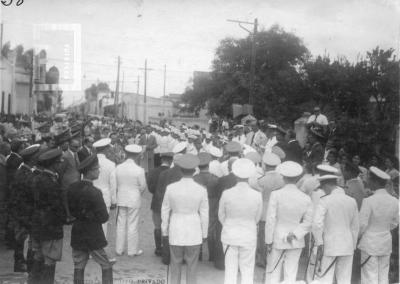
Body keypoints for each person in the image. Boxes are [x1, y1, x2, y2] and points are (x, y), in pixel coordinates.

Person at [161, 153, 209, 284]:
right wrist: (204, 233)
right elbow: (205, 213)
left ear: (181, 170)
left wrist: (164, 230)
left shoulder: (171, 188)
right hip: (194, 229)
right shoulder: (201, 190)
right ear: (194, 170)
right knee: (192, 267)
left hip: (176, 228)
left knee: (175, 265)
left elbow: (165, 210)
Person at [265, 161, 313, 284]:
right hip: (296, 240)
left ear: (283, 177)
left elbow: (271, 219)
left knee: (273, 271)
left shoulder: (276, 194)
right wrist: (295, 233)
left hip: (277, 237)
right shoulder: (306, 198)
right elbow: (308, 222)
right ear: (298, 178)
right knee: (291, 273)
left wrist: (268, 240)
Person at [68, 155, 113, 284]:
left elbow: (71, 211)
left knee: (79, 264)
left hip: (77, 230)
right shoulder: (95, 192)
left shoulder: (72, 188)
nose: (99, 171)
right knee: (106, 263)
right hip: (93, 232)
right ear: (90, 171)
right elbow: (104, 217)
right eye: (97, 169)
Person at [218, 158, 262, 284]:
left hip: (229, 235)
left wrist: (229, 225)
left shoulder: (227, 193)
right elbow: (257, 218)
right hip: (248, 235)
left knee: (230, 270)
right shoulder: (257, 195)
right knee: (247, 271)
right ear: (249, 176)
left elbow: (221, 215)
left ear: (235, 174)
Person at [312, 174, 359, 284]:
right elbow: (355, 226)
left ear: (327, 185)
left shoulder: (325, 200)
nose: (324, 191)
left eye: (323, 188)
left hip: (329, 245)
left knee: (325, 278)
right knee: (344, 279)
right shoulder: (352, 201)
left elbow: (317, 224)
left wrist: (319, 243)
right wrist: (353, 245)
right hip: (347, 245)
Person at [30, 149, 66, 284]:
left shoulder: (37, 178)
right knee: (50, 258)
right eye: (59, 162)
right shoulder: (51, 183)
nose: (61, 164)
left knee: (38, 256)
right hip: (51, 226)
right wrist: (64, 218)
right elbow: (57, 206)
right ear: (53, 164)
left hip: (37, 224)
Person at [358, 166, 399, 284]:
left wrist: (357, 238)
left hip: (370, 243)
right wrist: (384, 229)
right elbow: (395, 222)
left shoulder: (369, 201)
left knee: (369, 277)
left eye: (369, 179)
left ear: (375, 181)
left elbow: (362, 225)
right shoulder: (395, 201)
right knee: (383, 277)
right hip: (385, 242)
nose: (367, 181)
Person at [8, 144, 41, 272]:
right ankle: (23, 263)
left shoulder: (23, 171)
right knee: (23, 239)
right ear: (32, 158)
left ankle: (21, 263)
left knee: (21, 238)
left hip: (20, 212)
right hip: (24, 213)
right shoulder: (25, 174)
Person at [156, 142, 186, 265]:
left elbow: (158, 192)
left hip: (166, 205)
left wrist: (162, 206)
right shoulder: (184, 174)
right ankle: (180, 257)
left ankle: (166, 257)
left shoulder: (164, 173)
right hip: (180, 207)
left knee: (166, 230)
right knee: (181, 231)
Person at [115, 144, 147, 256]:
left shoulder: (118, 167)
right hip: (134, 198)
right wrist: (137, 193)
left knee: (120, 223)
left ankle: (119, 249)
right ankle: (132, 251)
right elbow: (143, 186)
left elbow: (116, 184)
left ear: (126, 154)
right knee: (132, 224)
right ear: (137, 155)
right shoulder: (139, 170)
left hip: (121, 197)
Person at [255, 152, 283, 268]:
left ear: (265, 165)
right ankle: (273, 258)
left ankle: (262, 259)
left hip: (264, 210)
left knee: (262, 236)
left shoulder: (261, 180)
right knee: (274, 235)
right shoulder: (282, 179)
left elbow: (258, 197)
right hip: (278, 210)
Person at [92, 138, 117, 260]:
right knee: (103, 225)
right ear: (106, 149)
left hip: (90, 195)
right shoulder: (111, 164)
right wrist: (114, 200)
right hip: (104, 196)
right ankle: (101, 250)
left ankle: (91, 250)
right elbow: (113, 184)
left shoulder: (89, 162)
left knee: (91, 223)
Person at [193, 152, 219, 262]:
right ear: (208, 164)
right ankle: (212, 256)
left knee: (197, 228)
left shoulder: (194, 178)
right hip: (212, 203)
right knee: (211, 229)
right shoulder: (215, 178)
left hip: (198, 204)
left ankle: (198, 254)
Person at [147, 152, 173, 256]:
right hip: (169, 202)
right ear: (171, 161)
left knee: (157, 226)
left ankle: (158, 248)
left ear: (162, 160)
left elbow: (151, 188)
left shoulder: (153, 171)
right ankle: (167, 248)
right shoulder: (172, 172)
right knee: (168, 225)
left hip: (157, 201)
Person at [214, 157, 238, 270]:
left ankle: (220, 262)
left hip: (223, 211)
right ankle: (235, 264)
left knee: (221, 235)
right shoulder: (242, 180)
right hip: (237, 213)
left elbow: (218, 195)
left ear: (228, 167)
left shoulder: (222, 180)